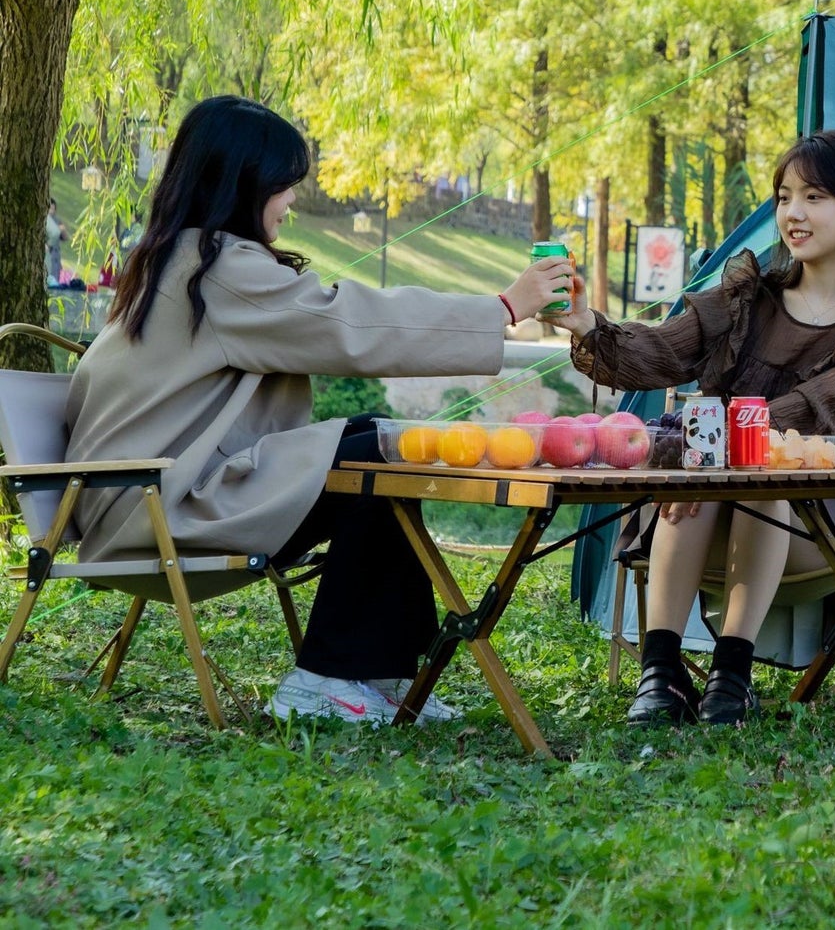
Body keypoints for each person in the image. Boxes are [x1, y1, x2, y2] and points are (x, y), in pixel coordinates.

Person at [64, 96, 573, 726]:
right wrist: (502, 307)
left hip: (142, 496)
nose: (290, 202)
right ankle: (327, 677)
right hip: (157, 510)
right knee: (377, 457)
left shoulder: (178, 257)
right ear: (243, 183)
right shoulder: (218, 269)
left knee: (379, 441)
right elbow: (346, 324)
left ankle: (375, 672)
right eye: (282, 186)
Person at [550, 129, 835, 727]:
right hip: (698, 510)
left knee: (761, 477)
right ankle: (661, 674)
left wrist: (714, 452)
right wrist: (585, 323)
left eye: (814, 197)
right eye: (784, 197)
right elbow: (660, 350)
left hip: (809, 523)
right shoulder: (745, 299)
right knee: (706, 475)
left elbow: (813, 410)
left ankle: (730, 676)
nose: (792, 213)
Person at [44, 198, 67, 286]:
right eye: (50, 209)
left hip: (56, 254)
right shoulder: (45, 220)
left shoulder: (57, 220)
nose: (51, 211)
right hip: (48, 252)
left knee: (55, 276)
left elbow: (64, 237)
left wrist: (63, 230)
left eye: (53, 209)